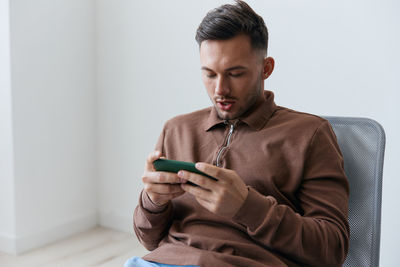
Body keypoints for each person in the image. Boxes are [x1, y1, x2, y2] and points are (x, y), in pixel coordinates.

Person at [126, 1, 349, 266]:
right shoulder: (176, 129)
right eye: (209, 74)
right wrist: (153, 201)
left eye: (235, 73)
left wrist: (247, 207)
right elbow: (150, 240)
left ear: (266, 68)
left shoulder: (310, 134)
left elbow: (332, 251)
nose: (220, 89)